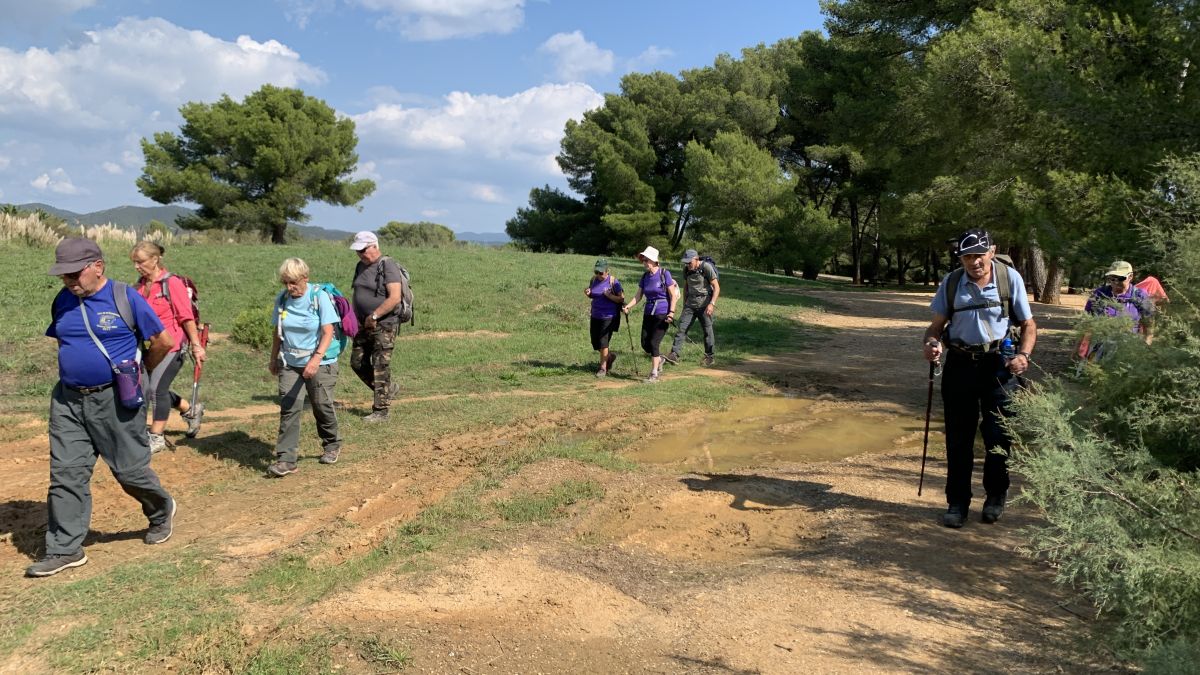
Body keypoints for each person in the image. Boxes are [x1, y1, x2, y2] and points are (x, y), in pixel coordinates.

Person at [28, 238, 177, 577]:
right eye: (63, 275)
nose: (69, 281)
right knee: (65, 474)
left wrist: (139, 373)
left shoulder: (125, 297)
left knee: (129, 470)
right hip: (68, 400)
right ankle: (64, 548)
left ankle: (160, 509)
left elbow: (164, 342)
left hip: (115, 399)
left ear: (98, 266)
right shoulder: (62, 301)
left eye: (74, 273)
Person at [922, 228, 1037, 528]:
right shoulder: (951, 284)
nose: (975, 262)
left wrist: (1023, 356)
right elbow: (935, 327)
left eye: (979, 255)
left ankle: (996, 496)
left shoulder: (1008, 278)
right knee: (958, 438)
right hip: (960, 364)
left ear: (991, 251)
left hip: (999, 365)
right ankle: (957, 502)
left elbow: (1028, 325)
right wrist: (933, 344)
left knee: (998, 436)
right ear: (960, 258)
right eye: (968, 257)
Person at [268, 258, 343, 476]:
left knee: (321, 404)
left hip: (321, 361)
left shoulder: (318, 297)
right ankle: (286, 460)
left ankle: (332, 444)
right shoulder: (282, 300)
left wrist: (315, 359)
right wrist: (273, 358)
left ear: (305, 278)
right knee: (289, 407)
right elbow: (277, 332)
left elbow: (328, 332)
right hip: (291, 363)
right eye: (286, 283)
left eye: (293, 282)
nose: (290, 288)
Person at [130, 241, 206, 452]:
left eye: (140, 262)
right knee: (148, 389)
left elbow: (186, 317)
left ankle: (156, 436)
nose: (137, 266)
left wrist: (196, 346)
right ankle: (190, 410)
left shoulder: (171, 283)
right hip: (151, 347)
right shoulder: (139, 286)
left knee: (156, 389)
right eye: (134, 262)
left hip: (173, 345)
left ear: (155, 260)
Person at [348, 231, 404, 422]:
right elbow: (358, 294)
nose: (361, 254)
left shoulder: (387, 265)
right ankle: (388, 390)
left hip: (384, 324)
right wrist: (353, 319)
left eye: (363, 250)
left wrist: (374, 315)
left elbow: (395, 297)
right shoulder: (360, 266)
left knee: (380, 365)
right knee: (357, 363)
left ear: (374, 246)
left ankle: (381, 411)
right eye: (358, 251)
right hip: (363, 324)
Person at [623, 246, 679, 383]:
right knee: (645, 343)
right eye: (643, 260)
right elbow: (638, 296)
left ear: (654, 261)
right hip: (648, 312)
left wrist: (671, 313)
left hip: (662, 313)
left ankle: (654, 374)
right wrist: (628, 306)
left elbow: (673, 295)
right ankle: (659, 359)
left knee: (654, 343)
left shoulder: (664, 274)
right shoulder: (645, 277)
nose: (644, 262)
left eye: (646, 260)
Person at [1082, 261, 1154, 360]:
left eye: (1120, 278)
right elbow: (1087, 321)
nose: (1116, 282)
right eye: (1112, 278)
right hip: (1099, 347)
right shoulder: (1099, 294)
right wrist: (1079, 348)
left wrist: (1145, 348)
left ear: (1130, 277)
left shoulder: (1140, 296)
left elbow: (1149, 325)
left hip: (1127, 348)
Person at [665, 249, 720, 367]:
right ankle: (674, 354)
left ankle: (709, 357)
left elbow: (716, 287)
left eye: (689, 262)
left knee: (707, 331)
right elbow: (686, 287)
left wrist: (712, 304)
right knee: (681, 328)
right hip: (690, 304)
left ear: (696, 259)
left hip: (705, 304)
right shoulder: (686, 270)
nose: (687, 265)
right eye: (686, 263)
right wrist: (685, 303)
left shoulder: (706, 268)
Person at [585, 258, 624, 377]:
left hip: (609, 316)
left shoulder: (613, 282)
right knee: (595, 343)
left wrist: (609, 296)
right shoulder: (593, 280)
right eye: (596, 272)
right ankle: (610, 357)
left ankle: (602, 368)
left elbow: (621, 298)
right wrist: (588, 293)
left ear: (607, 271)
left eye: (601, 273)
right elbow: (593, 294)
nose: (598, 275)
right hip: (595, 315)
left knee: (603, 342)